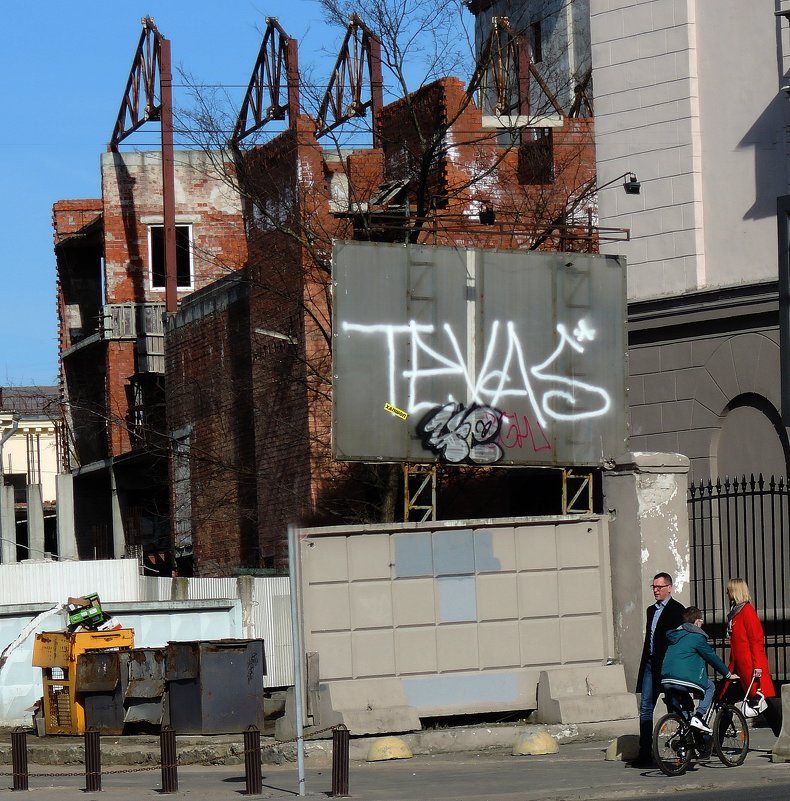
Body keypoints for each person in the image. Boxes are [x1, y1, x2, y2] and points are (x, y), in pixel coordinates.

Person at [630, 572, 685, 767]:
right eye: (653, 587)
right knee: (645, 707)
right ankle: (645, 752)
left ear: (669, 588)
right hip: (650, 663)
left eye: (659, 587)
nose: (655, 590)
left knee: (674, 706)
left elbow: (678, 641)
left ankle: (684, 749)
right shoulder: (650, 610)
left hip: (667, 665)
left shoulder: (678, 610)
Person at [660, 606, 738, 733]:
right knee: (710, 687)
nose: (701, 624)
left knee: (687, 705)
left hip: (666, 680)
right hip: (683, 679)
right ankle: (699, 717)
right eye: (701, 621)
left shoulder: (674, 636)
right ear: (696, 622)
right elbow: (712, 657)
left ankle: (686, 736)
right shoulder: (696, 637)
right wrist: (728, 674)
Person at [726, 577, 783, 737]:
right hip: (739, 667)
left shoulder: (747, 612)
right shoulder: (736, 613)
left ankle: (783, 737)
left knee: (765, 705)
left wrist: (758, 666)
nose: (727, 593)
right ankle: (715, 743)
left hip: (750, 668)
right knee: (727, 702)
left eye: (729, 590)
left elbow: (756, 640)